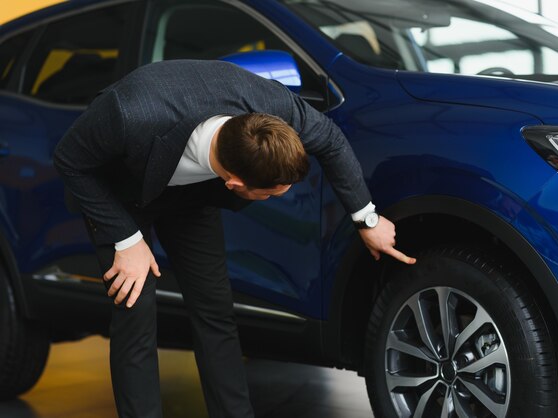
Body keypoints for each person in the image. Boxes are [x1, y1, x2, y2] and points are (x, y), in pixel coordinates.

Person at [53, 59, 415, 418]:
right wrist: (126, 239)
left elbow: (331, 140)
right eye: (271, 194)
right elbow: (70, 160)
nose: (280, 197)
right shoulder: (130, 113)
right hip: (119, 193)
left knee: (215, 310)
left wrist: (367, 219)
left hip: (191, 198)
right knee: (136, 311)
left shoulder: (272, 106)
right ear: (236, 185)